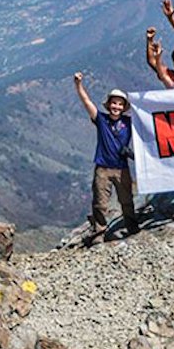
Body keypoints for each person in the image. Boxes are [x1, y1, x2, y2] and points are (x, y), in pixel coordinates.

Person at [73, 72, 139, 244]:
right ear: (109, 105)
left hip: (122, 167)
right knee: (100, 202)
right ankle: (99, 232)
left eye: (119, 104)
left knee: (127, 200)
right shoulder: (101, 119)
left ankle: (132, 227)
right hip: (103, 167)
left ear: (124, 107)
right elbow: (86, 102)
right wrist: (78, 85)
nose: (116, 106)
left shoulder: (129, 122)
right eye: (114, 103)